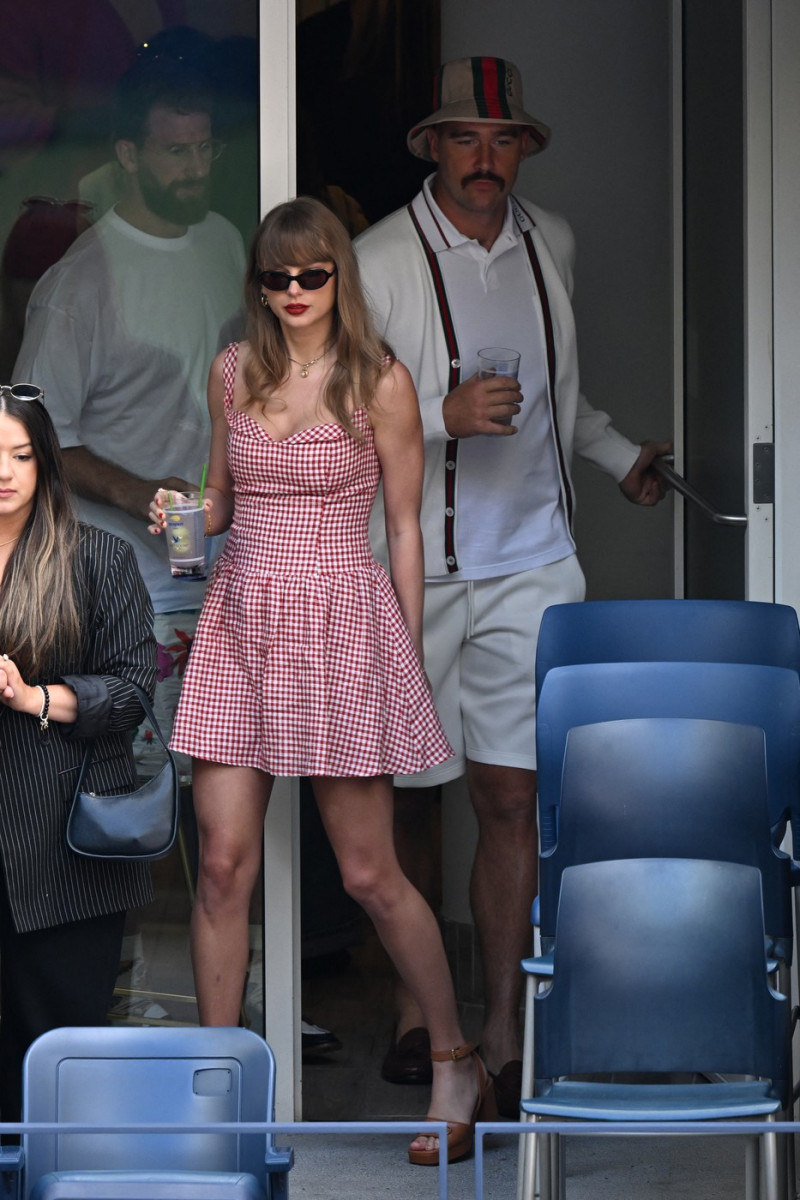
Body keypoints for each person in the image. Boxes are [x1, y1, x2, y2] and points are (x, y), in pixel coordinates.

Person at [353, 56, 671, 1116]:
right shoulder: (374, 259)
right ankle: (413, 1009)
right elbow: (326, 420)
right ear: (432, 146)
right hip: (411, 567)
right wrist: (436, 419)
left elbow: (558, 397)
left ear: (521, 148)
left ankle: (498, 1030)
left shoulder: (552, 242)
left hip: (531, 561)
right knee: (396, 791)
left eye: (500, 141)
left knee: (509, 793)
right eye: (463, 139)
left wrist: (619, 451)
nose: (482, 160)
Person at [148, 195, 494, 1165]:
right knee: (220, 866)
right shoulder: (232, 371)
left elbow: (404, 525)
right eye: (275, 277)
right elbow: (218, 498)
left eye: (311, 274)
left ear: (338, 275)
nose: (294, 292)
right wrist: (185, 514)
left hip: (342, 626)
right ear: (256, 285)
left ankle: (454, 1058)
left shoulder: (377, 380)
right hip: (244, 619)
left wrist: (407, 659)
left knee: (368, 872)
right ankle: (222, 1098)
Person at [12, 54, 246, 773]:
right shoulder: (79, 284)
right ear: (129, 155)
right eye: (176, 151)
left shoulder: (225, 243)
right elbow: (32, 438)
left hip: (224, 576)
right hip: (125, 595)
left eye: (205, 148)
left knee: (221, 790)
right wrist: (140, 491)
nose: (195, 167)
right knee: (134, 800)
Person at [0, 384, 157, 1122]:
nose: (5, 471)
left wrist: (35, 697)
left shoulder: (98, 559)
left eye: (21, 455)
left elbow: (132, 694)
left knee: (61, 1057)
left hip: (63, 845)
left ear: (47, 464)